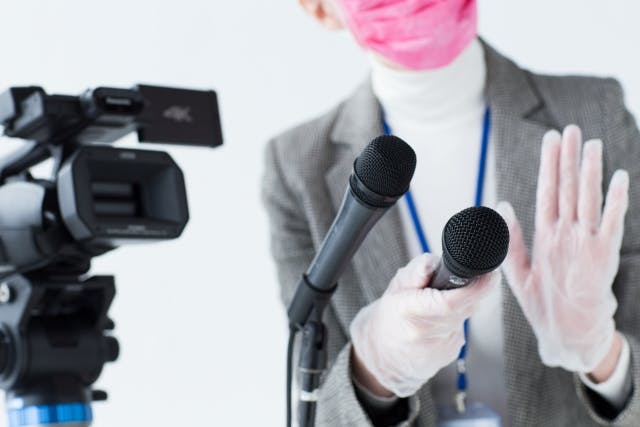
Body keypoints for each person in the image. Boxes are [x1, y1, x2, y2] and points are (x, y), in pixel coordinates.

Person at [262, 1, 640, 426]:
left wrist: (603, 355)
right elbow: (318, 411)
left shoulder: (596, 115)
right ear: (319, 10)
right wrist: (373, 371)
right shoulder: (295, 168)